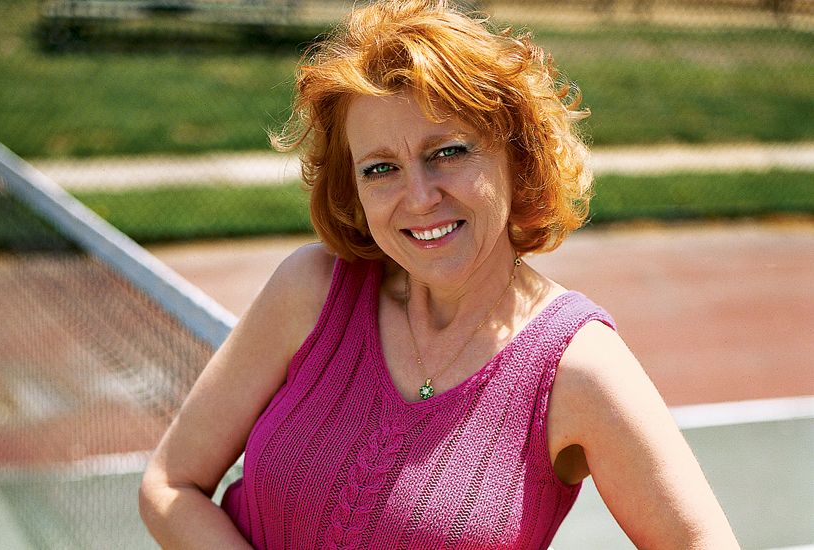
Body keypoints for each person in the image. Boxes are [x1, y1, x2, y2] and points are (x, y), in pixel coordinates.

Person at [139, 1, 739, 548]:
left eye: (448, 152)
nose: (419, 197)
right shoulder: (311, 291)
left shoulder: (577, 368)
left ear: (518, 154)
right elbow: (171, 485)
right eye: (380, 169)